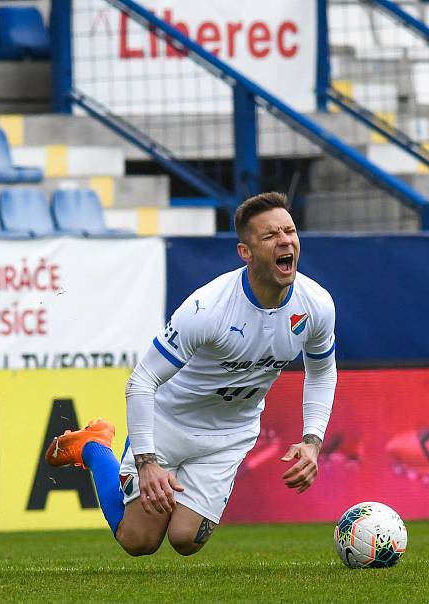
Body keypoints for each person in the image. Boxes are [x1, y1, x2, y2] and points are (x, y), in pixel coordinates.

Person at [45, 192, 337, 557]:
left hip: (229, 435)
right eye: (270, 235)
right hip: (169, 423)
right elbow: (141, 380)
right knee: (140, 542)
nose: (285, 241)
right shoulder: (208, 309)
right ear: (245, 253)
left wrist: (312, 441)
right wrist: (147, 463)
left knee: (186, 540)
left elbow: (323, 373)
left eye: (290, 231)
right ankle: (94, 447)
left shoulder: (317, 305)